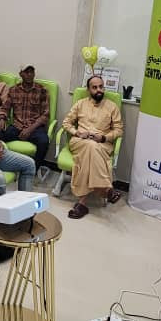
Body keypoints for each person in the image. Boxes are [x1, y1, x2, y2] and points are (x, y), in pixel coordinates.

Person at [61, 76, 124, 219]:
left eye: (101, 86)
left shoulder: (112, 107)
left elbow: (119, 130)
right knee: (90, 145)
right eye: (94, 87)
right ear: (88, 89)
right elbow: (66, 123)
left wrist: (104, 137)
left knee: (91, 148)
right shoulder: (80, 104)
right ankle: (106, 189)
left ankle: (82, 203)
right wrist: (77, 132)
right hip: (80, 141)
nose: (99, 90)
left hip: (102, 143)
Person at [0, 65, 50, 169]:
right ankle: (3, 163)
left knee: (44, 142)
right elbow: (5, 108)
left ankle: (33, 169)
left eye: (32, 72)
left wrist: (30, 129)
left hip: (34, 127)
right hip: (17, 126)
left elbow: (45, 115)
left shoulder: (42, 90)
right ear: (20, 74)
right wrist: (2, 119)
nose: (29, 74)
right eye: (26, 72)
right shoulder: (13, 90)